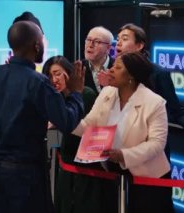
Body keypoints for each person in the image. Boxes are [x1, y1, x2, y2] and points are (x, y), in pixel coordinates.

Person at [0, 21, 85, 213]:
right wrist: (75, 93)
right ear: (36, 46)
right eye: (42, 41)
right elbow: (67, 121)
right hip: (26, 174)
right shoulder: (38, 82)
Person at [72, 52, 175, 213]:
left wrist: (123, 155)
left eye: (117, 67)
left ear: (131, 77)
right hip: (113, 174)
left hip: (147, 178)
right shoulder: (107, 93)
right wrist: (66, 121)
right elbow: (89, 124)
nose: (111, 70)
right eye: (113, 66)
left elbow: (157, 144)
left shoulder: (154, 102)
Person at [112, 23, 184, 136]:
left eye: (124, 39)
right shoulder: (113, 71)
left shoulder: (158, 73)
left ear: (139, 46)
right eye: (118, 39)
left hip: (151, 139)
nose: (118, 43)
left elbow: (174, 108)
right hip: (120, 138)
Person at [41, 56, 100, 213]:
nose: (54, 79)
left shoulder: (86, 94)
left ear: (70, 73)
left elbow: (93, 132)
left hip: (86, 170)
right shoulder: (55, 97)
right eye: (49, 75)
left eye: (57, 73)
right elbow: (55, 143)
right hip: (65, 167)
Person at [83, 26, 115, 94]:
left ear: (108, 48)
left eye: (97, 41)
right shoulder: (77, 70)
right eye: (88, 40)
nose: (90, 45)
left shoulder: (118, 69)